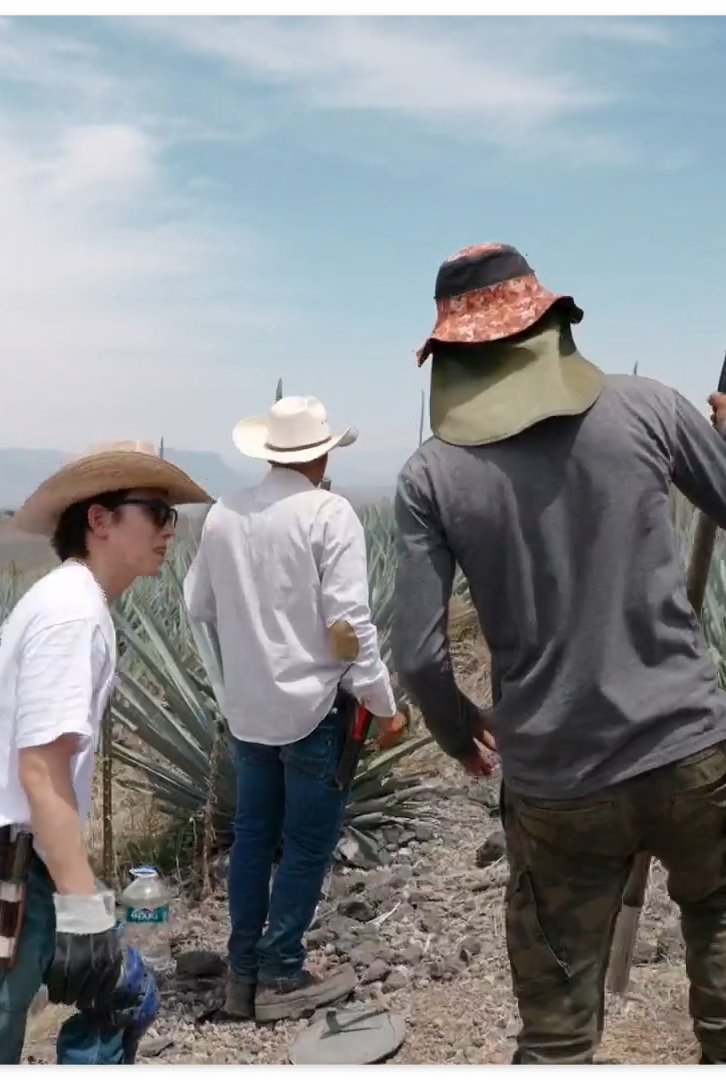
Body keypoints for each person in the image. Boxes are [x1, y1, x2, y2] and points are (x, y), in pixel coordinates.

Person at [389, 242, 726, 1064]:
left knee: (559, 1024)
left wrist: (463, 730)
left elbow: (419, 656)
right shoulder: (646, 407)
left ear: (452, 359)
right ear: (548, 324)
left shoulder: (433, 475)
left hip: (560, 780)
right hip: (689, 752)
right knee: (714, 909)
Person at [0, 440, 210, 1065]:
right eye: (155, 511)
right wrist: (84, 911)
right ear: (99, 519)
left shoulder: (70, 600)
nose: (169, 529)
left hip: (4, 863)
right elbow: (41, 772)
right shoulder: (72, 614)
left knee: (110, 1000)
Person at [182, 394, 405, 1023]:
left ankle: (242, 974)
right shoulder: (329, 514)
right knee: (306, 844)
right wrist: (384, 705)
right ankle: (282, 973)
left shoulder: (223, 515)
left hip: (248, 710)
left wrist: (252, 624)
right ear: (324, 451)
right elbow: (349, 622)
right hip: (314, 710)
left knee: (253, 837)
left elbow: (198, 603)